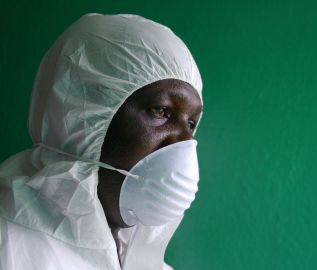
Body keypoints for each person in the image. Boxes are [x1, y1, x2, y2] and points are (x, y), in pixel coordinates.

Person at [0, 13, 203, 270]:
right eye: (161, 112)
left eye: (192, 124)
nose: (183, 145)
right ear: (83, 114)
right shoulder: (9, 247)